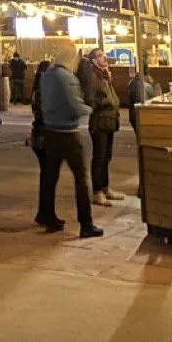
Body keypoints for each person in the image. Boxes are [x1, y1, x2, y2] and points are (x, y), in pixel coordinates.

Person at [37, 61, 103, 238]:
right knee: (82, 178)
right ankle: (86, 224)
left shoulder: (46, 76)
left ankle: (48, 217)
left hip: (50, 130)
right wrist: (89, 108)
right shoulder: (66, 76)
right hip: (68, 133)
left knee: (49, 176)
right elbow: (75, 106)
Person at [82, 50, 125, 206]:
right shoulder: (93, 77)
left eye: (104, 55)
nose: (104, 57)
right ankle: (97, 192)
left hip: (110, 121)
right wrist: (106, 103)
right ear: (93, 61)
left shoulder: (105, 75)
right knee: (99, 158)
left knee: (107, 157)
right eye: (100, 56)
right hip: (100, 122)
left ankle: (106, 188)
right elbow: (90, 99)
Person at [30, 60, 52, 226]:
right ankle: (45, 213)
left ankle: (45, 212)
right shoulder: (42, 92)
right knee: (48, 176)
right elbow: (44, 115)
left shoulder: (39, 90)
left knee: (48, 175)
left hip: (40, 136)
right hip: (44, 137)